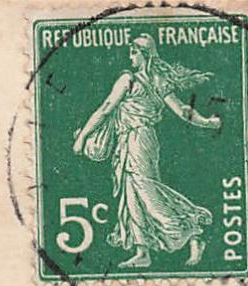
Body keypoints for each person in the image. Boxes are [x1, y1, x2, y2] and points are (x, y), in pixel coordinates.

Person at [72, 34, 222, 269]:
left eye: (133, 52)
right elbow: (183, 110)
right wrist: (207, 122)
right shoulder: (157, 80)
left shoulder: (128, 79)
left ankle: (193, 233)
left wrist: (82, 137)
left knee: (146, 191)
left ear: (144, 54)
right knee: (132, 194)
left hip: (138, 139)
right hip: (132, 140)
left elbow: (105, 109)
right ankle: (142, 251)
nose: (130, 57)